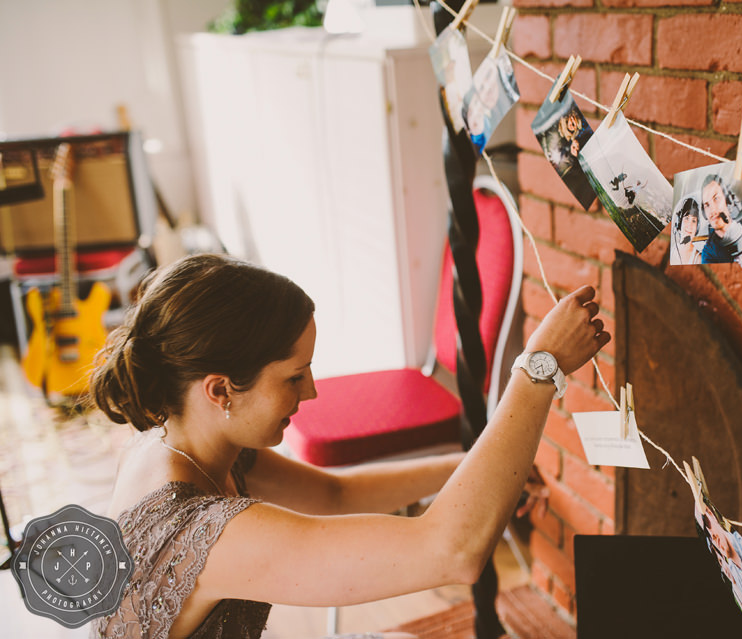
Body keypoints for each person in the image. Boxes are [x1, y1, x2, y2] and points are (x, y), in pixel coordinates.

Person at [88, 254, 609, 639]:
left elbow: (336, 496)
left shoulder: (176, 439)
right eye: (294, 376)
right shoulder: (206, 534)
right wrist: (539, 368)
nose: (311, 391)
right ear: (220, 389)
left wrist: (470, 465)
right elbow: (451, 552)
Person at [698, 174, 742, 264]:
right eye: (707, 205)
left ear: (728, 200)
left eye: (716, 199)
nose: (712, 210)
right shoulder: (709, 254)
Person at [670, 198, 702, 265]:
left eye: (693, 221)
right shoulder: (672, 250)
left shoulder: (699, 259)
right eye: (687, 218)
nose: (689, 225)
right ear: (679, 222)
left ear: (697, 227)